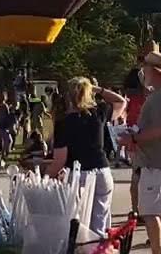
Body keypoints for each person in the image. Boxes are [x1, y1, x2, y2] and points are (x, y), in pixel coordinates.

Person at [117, 52, 161, 254]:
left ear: (153, 71)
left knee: (151, 212)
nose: (142, 72)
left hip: (156, 161)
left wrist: (133, 138)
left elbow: (158, 129)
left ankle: (158, 251)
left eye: (144, 68)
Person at [48, 77, 124, 235]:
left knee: (80, 227)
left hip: (79, 174)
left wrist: (45, 176)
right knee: (100, 224)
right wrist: (98, 89)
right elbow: (121, 102)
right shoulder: (98, 113)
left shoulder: (64, 122)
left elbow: (59, 161)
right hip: (102, 170)